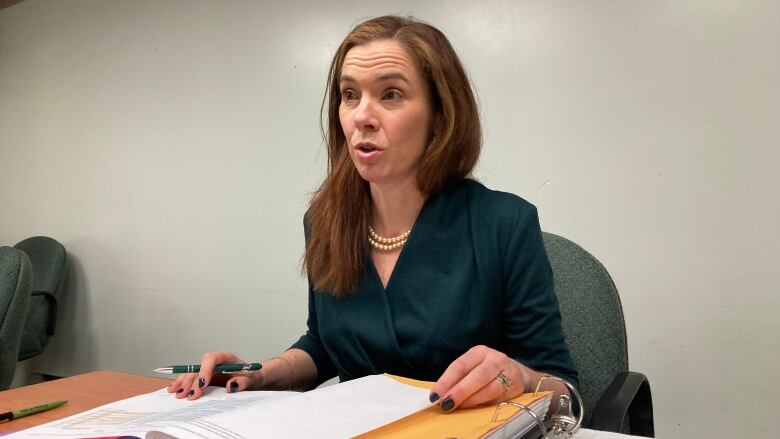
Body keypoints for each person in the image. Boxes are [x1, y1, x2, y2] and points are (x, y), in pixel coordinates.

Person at [167, 15, 578, 413]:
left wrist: (522, 378)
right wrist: (260, 373)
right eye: (350, 95)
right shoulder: (325, 220)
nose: (362, 116)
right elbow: (326, 343)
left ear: (439, 116)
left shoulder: (504, 223)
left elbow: (563, 388)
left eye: (391, 94)